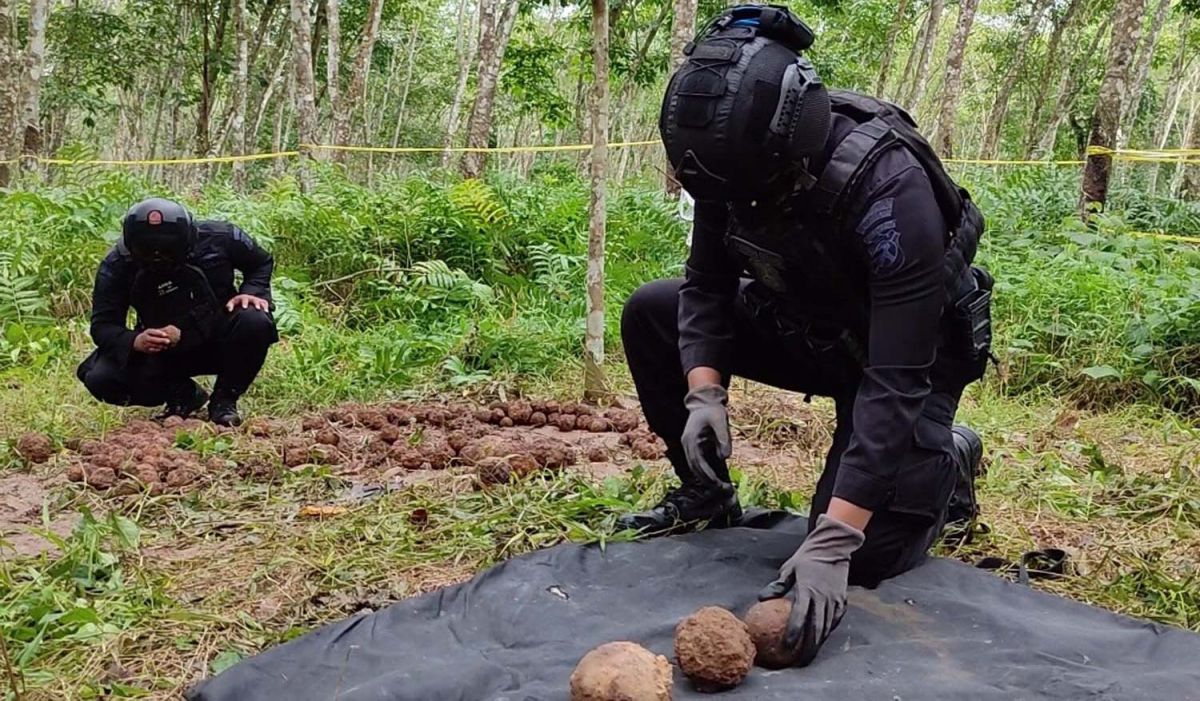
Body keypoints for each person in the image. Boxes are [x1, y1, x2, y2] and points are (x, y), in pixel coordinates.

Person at [618, 5, 993, 666]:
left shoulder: (891, 192)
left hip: (911, 359)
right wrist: (703, 391)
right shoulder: (729, 159)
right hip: (813, 326)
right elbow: (705, 284)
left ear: (790, 146)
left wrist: (836, 537)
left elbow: (896, 377)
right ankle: (706, 492)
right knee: (653, 310)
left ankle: (947, 458)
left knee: (864, 555)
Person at [77, 198, 278, 427]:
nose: (158, 256)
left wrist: (254, 291)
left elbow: (261, 262)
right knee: (98, 376)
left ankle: (224, 400)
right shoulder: (117, 264)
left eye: (168, 250)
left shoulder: (221, 237)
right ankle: (182, 394)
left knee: (254, 318)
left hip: (218, 334)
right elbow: (103, 325)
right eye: (147, 251)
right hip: (161, 350)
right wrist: (135, 341)